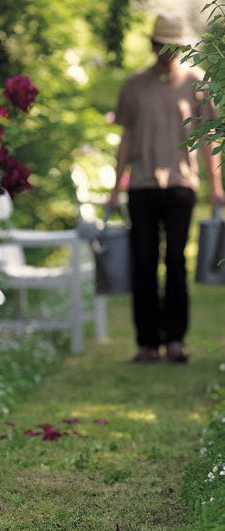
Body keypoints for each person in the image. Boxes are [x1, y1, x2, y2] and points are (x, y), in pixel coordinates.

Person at [108, 12, 223, 363]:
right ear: (152, 44)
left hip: (180, 185)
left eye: (173, 47)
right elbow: (126, 138)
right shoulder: (134, 85)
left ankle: (175, 339)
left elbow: (207, 139)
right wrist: (115, 188)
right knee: (143, 262)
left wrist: (216, 185)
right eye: (161, 46)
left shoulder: (196, 82)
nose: (167, 53)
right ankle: (146, 343)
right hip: (141, 185)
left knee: (175, 260)